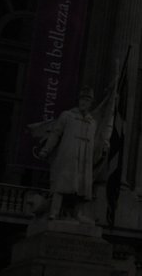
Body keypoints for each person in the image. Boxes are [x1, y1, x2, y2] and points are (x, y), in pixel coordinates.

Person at [30, 87, 107, 219]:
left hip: (84, 159)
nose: (84, 102)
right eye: (82, 99)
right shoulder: (67, 116)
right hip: (68, 155)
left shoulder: (92, 123)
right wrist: (46, 149)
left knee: (81, 187)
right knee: (62, 184)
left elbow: (94, 143)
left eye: (87, 100)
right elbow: (56, 134)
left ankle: (78, 213)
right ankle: (54, 211)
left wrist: (103, 147)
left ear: (90, 103)